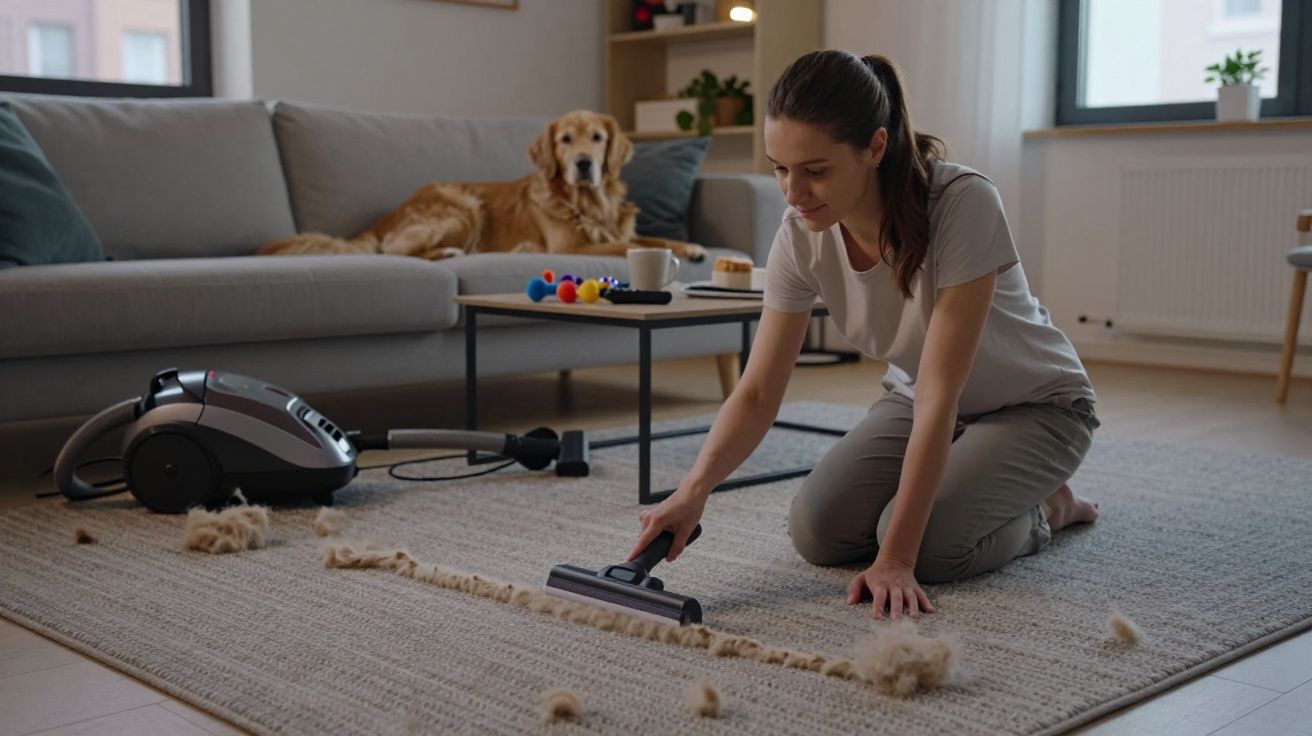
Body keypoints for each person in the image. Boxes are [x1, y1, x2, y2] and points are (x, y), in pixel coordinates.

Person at [627, 50, 1101, 621]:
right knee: (818, 530)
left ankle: (1048, 509)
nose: (793, 191)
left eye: (816, 170)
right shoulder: (801, 234)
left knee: (925, 546)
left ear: (875, 147)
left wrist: (897, 557)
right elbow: (756, 393)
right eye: (780, 168)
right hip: (917, 398)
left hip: (1036, 407)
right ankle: (975, 481)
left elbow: (941, 392)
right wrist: (693, 488)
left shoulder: (962, 204)